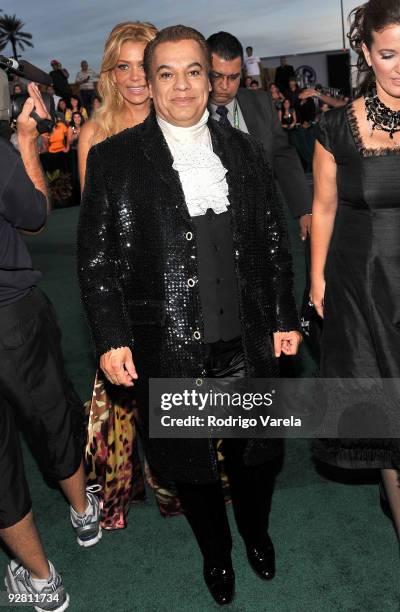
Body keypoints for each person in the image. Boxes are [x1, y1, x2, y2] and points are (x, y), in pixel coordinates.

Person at [78, 24, 301, 606]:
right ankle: (217, 555)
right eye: (167, 74)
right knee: (195, 467)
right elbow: (97, 263)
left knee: (254, 456)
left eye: (193, 72)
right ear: (148, 86)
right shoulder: (114, 160)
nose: (182, 86)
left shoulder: (245, 151)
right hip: (171, 346)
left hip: (246, 342)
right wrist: (111, 336)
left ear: (211, 80)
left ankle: (256, 534)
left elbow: (276, 244)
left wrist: (282, 316)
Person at [0, 82, 101, 612]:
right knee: (51, 413)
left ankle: (41, 580)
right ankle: (84, 512)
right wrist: (24, 140)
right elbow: (36, 214)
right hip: (11, 314)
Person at [78, 21, 178, 529]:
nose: (136, 76)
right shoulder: (95, 136)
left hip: (179, 288)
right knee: (120, 401)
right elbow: (93, 237)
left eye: (145, 64)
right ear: (111, 75)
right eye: (124, 66)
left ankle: (181, 486)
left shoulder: (180, 123)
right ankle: (121, 493)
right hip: (122, 292)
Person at [310, 0, 400, 542]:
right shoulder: (336, 129)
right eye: (389, 54)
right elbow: (323, 208)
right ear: (366, 53)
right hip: (369, 289)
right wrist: (317, 279)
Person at [207, 31, 312, 240]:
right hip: (212, 233)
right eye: (216, 75)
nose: (224, 86)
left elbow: (283, 155)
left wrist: (304, 209)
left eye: (233, 77)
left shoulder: (262, 103)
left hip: (262, 226)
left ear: (242, 72)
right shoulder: (186, 112)